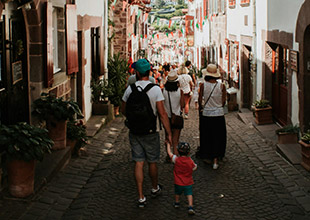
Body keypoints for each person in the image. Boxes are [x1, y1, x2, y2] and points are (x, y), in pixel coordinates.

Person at [121, 59, 173, 208]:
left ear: (137, 73)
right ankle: (154, 188)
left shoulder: (130, 89)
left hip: (135, 131)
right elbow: (162, 114)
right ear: (149, 72)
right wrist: (168, 133)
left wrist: (133, 119)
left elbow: (123, 110)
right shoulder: (156, 89)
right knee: (152, 161)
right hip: (151, 131)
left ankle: (140, 196)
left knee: (138, 162)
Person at [198, 64, 227, 170]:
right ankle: (217, 157)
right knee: (218, 136)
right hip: (218, 114)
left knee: (207, 136)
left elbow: (200, 101)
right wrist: (217, 106)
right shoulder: (221, 86)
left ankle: (208, 156)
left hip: (207, 114)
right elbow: (223, 102)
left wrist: (203, 108)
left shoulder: (202, 85)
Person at [166, 142, 197, 215]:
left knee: (177, 193)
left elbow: (169, 153)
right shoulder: (190, 161)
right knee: (189, 194)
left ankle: (177, 203)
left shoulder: (176, 159)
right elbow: (194, 167)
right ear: (189, 152)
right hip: (188, 182)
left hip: (178, 182)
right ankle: (190, 206)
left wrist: (168, 145)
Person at [162, 70, 185, 155]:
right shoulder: (180, 91)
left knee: (168, 137)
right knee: (176, 140)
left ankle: (168, 155)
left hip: (166, 117)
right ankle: (175, 155)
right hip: (177, 117)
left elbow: (161, 104)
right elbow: (182, 105)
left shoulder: (163, 91)